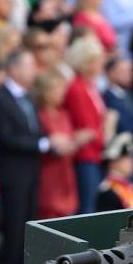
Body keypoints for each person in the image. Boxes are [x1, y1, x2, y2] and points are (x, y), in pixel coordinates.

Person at [0, 49, 69, 264]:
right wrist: (44, 143)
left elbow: (34, 130)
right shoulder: (0, 98)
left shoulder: (28, 97)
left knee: (26, 227)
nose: (34, 70)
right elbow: (7, 137)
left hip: (31, 172)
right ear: (13, 69)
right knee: (13, 228)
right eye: (29, 65)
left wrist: (49, 141)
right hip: (13, 173)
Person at [62, 36, 107, 214]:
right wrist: (104, 137)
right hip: (85, 156)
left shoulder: (90, 86)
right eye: (97, 61)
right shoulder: (76, 88)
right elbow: (85, 126)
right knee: (87, 207)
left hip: (95, 153)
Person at [36, 69, 88, 219]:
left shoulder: (63, 114)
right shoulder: (40, 115)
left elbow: (69, 141)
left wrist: (76, 141)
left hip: (66, 171)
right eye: (57, 89)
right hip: (49, 171)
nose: (62, 93)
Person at [96, 131, 133, 211]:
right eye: (126, 159)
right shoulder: (108, 191)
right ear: (113, 162)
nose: (132, 162)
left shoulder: (130, 187)